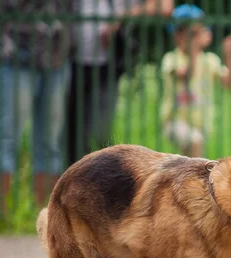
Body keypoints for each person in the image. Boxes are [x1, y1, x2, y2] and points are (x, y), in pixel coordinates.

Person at [66, 0, 174, 167]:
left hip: (107, 66)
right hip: (64, 63)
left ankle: (92, 179)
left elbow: (165, 6)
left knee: (97, 133)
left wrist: (121, 17)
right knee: (67, 135)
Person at [0, 0, 73, 212]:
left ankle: (46, 217)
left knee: (50, 144)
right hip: (13, 54)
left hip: (56, 57)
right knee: (7, 138)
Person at [160, 4, 231, 158]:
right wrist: (193, 48)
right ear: (178, 35)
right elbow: (186, 74)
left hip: (201, 124)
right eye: (193, 33)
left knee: (185, 162)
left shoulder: (210, 60)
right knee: (195, 148)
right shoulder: (171, 59)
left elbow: (229, 84)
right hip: (175, 122)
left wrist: (228, 53)